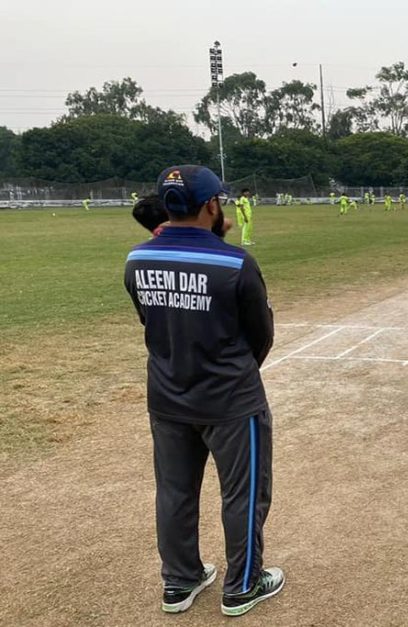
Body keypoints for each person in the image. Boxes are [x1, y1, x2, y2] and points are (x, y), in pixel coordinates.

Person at [124, 165, 283, 617]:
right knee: (244, 493)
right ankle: (242, 585)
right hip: (232, 400)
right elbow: (261, 333)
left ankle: (180, 581)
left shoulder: (137, 259)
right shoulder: (235, 262)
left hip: (168, 396)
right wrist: (234, 374)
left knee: (174, 492)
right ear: (212, 205)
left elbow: (150, 320)